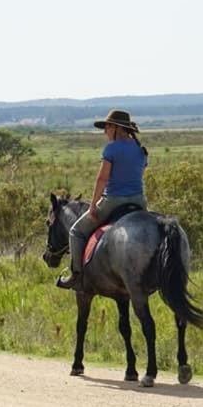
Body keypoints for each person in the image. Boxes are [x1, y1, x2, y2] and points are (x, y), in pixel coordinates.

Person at [57, 109, 149, 290]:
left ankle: (76, 276)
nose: (105, 131)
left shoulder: (111, 149)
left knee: (76, 232)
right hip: (139, 202)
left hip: (113, 201)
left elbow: (102, 179)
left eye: (107, 127)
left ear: (116, 128)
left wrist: (92, 205)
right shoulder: (140, 150)